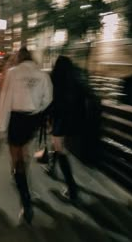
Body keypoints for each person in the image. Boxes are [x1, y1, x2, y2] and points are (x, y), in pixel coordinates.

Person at [0, 47, 53, 224]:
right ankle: (21, 179)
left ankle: (25, 198)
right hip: (31, 119)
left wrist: (1, 127)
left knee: (16, 157)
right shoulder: (43, 75)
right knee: (25, 150)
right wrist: (37, 110)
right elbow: (48, 98)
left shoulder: (13, 73)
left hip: (16, 118)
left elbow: (5, 98)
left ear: (18, 58)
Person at [45, 55, 84, 201]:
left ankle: (72, 188)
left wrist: (48, 119)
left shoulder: (54, 80)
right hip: (72, 122)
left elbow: (51, 102)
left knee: (60, 150)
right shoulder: (75, 82)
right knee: (57, 146)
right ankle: (51, 167)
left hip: (60, 121)